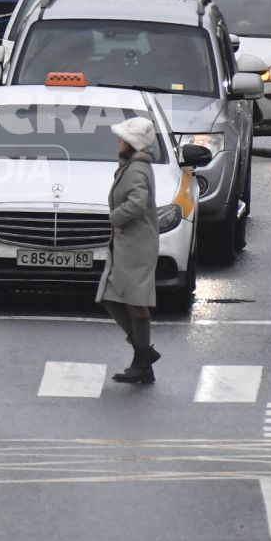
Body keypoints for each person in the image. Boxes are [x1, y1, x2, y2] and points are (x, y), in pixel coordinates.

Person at [98, 115, 164, 385]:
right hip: (128, 243)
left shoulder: (136, 169)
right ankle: (144, 355)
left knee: (136, 303)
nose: (118, 141)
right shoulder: (132, 165)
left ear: (133, 143)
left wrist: (116, 217)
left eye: (123, 138)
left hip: (137, 245)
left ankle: (143, 360)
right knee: (111, 296)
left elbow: (136, 204)